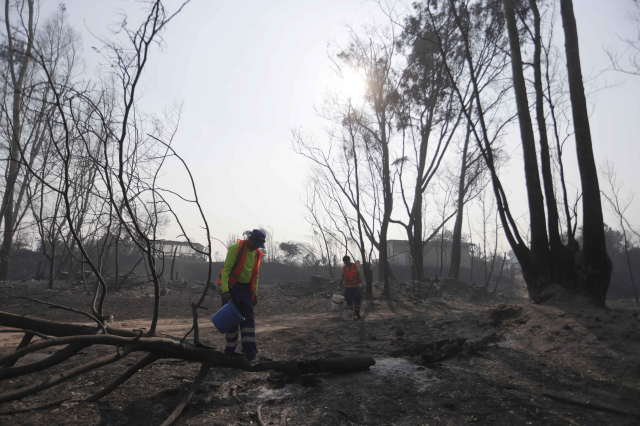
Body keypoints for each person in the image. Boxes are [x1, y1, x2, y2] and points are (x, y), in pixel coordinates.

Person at [217, 229, 265, 362]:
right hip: (232, 288)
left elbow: (255, 275)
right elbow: (226, 269)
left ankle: (250, 353)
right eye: (255, 243)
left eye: (258, 245)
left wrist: (255, 293)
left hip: (246, 291)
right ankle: (230, 352)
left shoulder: (257, 254)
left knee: (248, 321)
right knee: (231, 320)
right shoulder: (236, 248)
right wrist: (225, 290)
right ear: (249, 239)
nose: (256, 247)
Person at [339, 255, 363, 320]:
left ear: (349, 261)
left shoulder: (355, 266)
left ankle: (357, 313)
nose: (346, 264)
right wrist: (339, 285)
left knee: (357, 300)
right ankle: (350, 313)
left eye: (346, 262)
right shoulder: (344, 268)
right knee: (348, 301)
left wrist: (360, 283)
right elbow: (342, 277)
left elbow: (359, 274)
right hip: (348, 288)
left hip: (355, 287)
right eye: (344, 263)